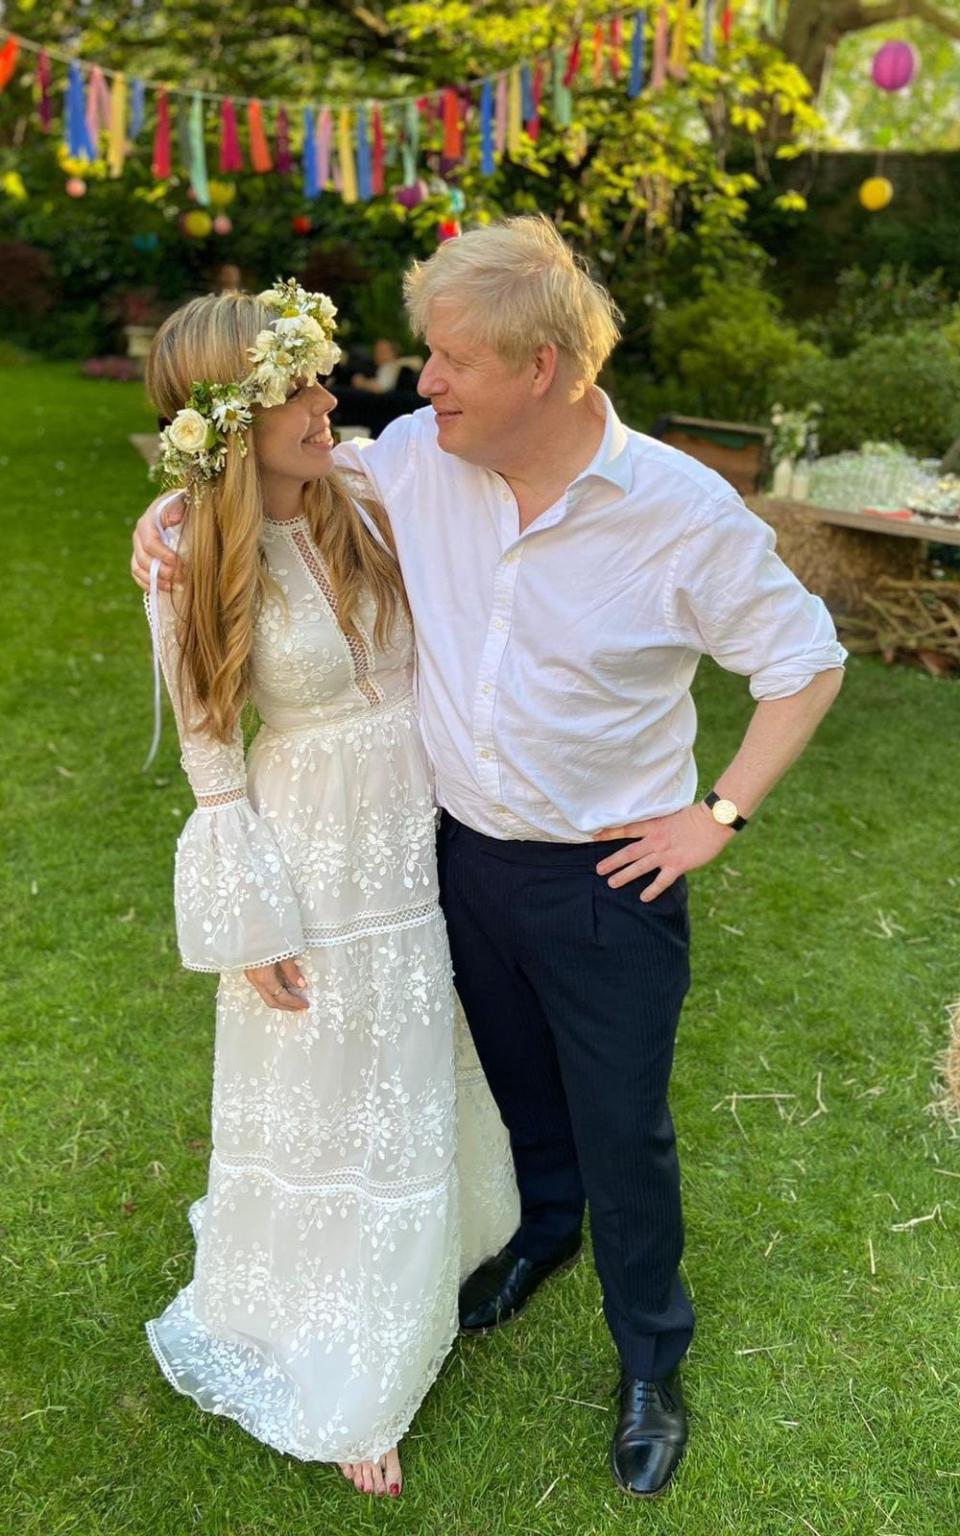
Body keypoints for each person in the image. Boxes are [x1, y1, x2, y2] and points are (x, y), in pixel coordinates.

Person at [133, 217, 846, 1501]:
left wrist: (717, 814)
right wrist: (169, 497)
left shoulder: (681, 512)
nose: (422, 382)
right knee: (515, 1088)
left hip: (606, 880)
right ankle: (537, 1237)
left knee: (624, 1124)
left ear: (549, 370)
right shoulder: (416, 462)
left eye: (454, 359)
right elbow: (272, 471)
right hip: (450, 857)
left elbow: (806, 662)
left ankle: (648, 1361)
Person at [138, 280, 517, 1499]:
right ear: (232, 421)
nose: (326, 398)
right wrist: (247, 910)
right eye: (295, 387)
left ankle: (429, 1266)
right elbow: (208, 753)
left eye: (315, 375)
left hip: (416, 824)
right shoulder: (193, 555)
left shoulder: (364, 490)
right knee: (331, 1075)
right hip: (310, 845)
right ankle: (345, 1348)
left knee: (409, 1062)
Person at [351, 338, 423, 394]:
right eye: (377, 350)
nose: (378, 353)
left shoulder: (392, 367)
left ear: (393, 353)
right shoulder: (372, 366)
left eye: (383, 350)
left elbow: (379, 388)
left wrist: (363, 383)